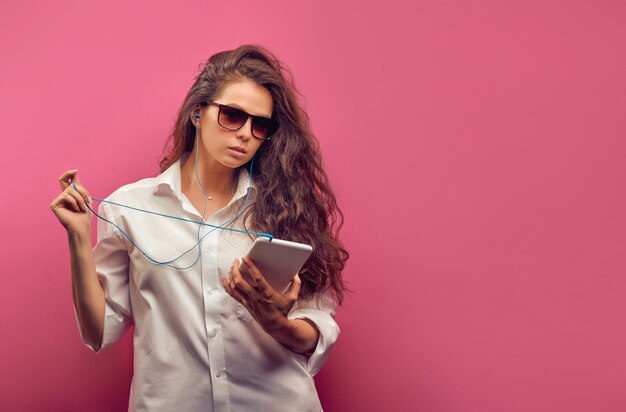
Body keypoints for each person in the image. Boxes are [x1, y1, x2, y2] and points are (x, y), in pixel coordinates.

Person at [50, 44, 349, 412]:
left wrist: (278, 323)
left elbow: (318, 324)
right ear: (197, 113)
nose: (245, 134)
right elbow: (99, 333)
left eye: (260, 125)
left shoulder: (285, 209)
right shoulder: (129, 208)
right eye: (232, 115)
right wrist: (79, 237)